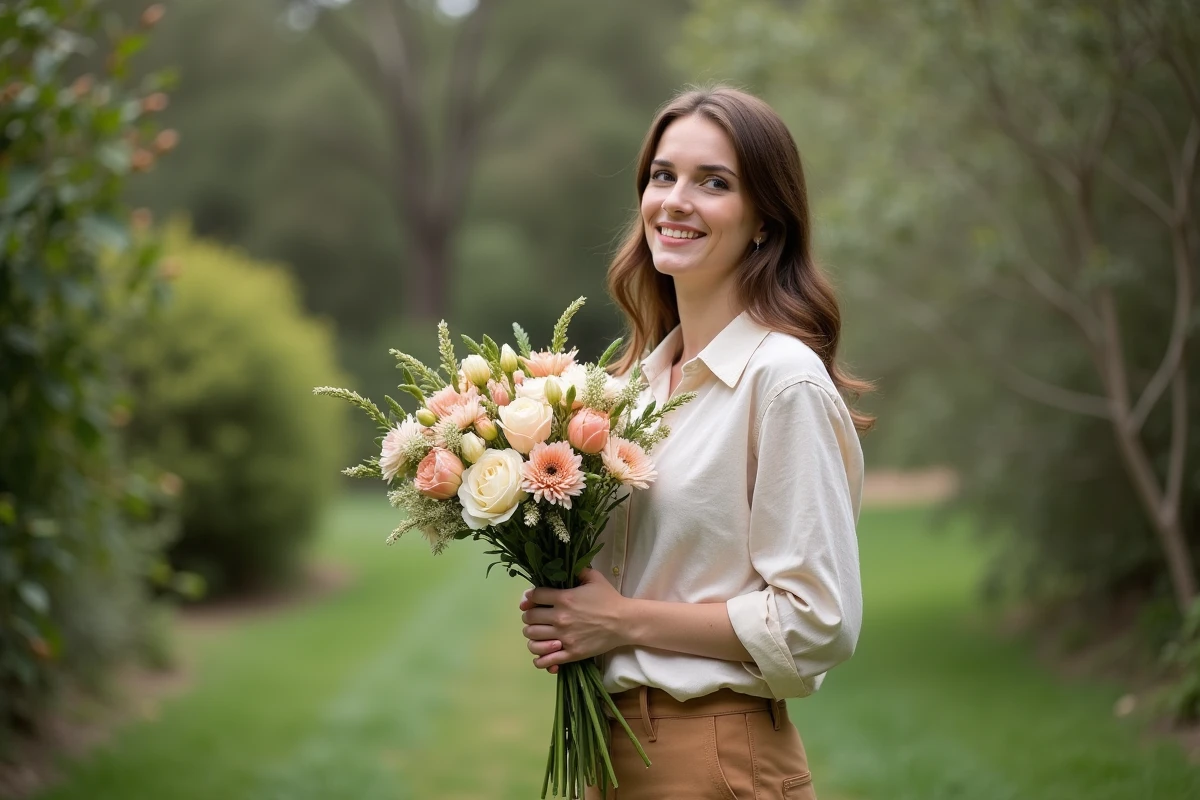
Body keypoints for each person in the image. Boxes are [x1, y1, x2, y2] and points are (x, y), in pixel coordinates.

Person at [518, 84, 873, 800]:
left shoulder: (781, 382)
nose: (676, 200)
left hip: (714, 753)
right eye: (662, 175)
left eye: (714, 182)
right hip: (613, 750)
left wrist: (618, 622)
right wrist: (566, 611)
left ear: (764, 221)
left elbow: (817, 622)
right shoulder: (632, 391)